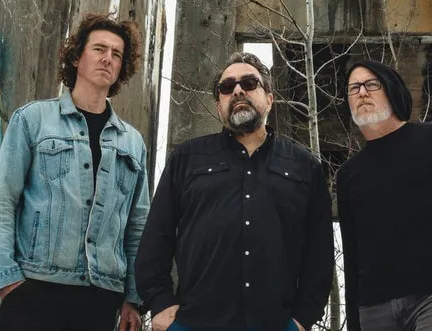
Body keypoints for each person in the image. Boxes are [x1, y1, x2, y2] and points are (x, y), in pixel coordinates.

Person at [135, 52, 334, 331]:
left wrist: (303, 318)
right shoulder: (187, 158)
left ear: (269, 99)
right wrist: (160, 302)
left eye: (249, 83)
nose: (238, 90)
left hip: (276, 325)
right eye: (227, 87)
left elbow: (319, 253)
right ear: (219, 106)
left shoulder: (304, 167)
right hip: (194, 324)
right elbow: (157, 235)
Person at [0, 13, 150, 331]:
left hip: (100, 299)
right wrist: (6, 279)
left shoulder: (132, 143)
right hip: (33, 289)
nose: (107, 58)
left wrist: (133, 298)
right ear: (77, 57)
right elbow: (2, 201)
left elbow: (137, 226)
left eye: (116, 54)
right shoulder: (33, 120)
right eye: (99, 49)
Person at [336, 60, 432, 331]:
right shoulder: (348, 174)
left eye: (371, 84)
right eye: (354, 88)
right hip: (374, 310)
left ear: (392, 90)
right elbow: (352, 258)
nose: (362, 92)